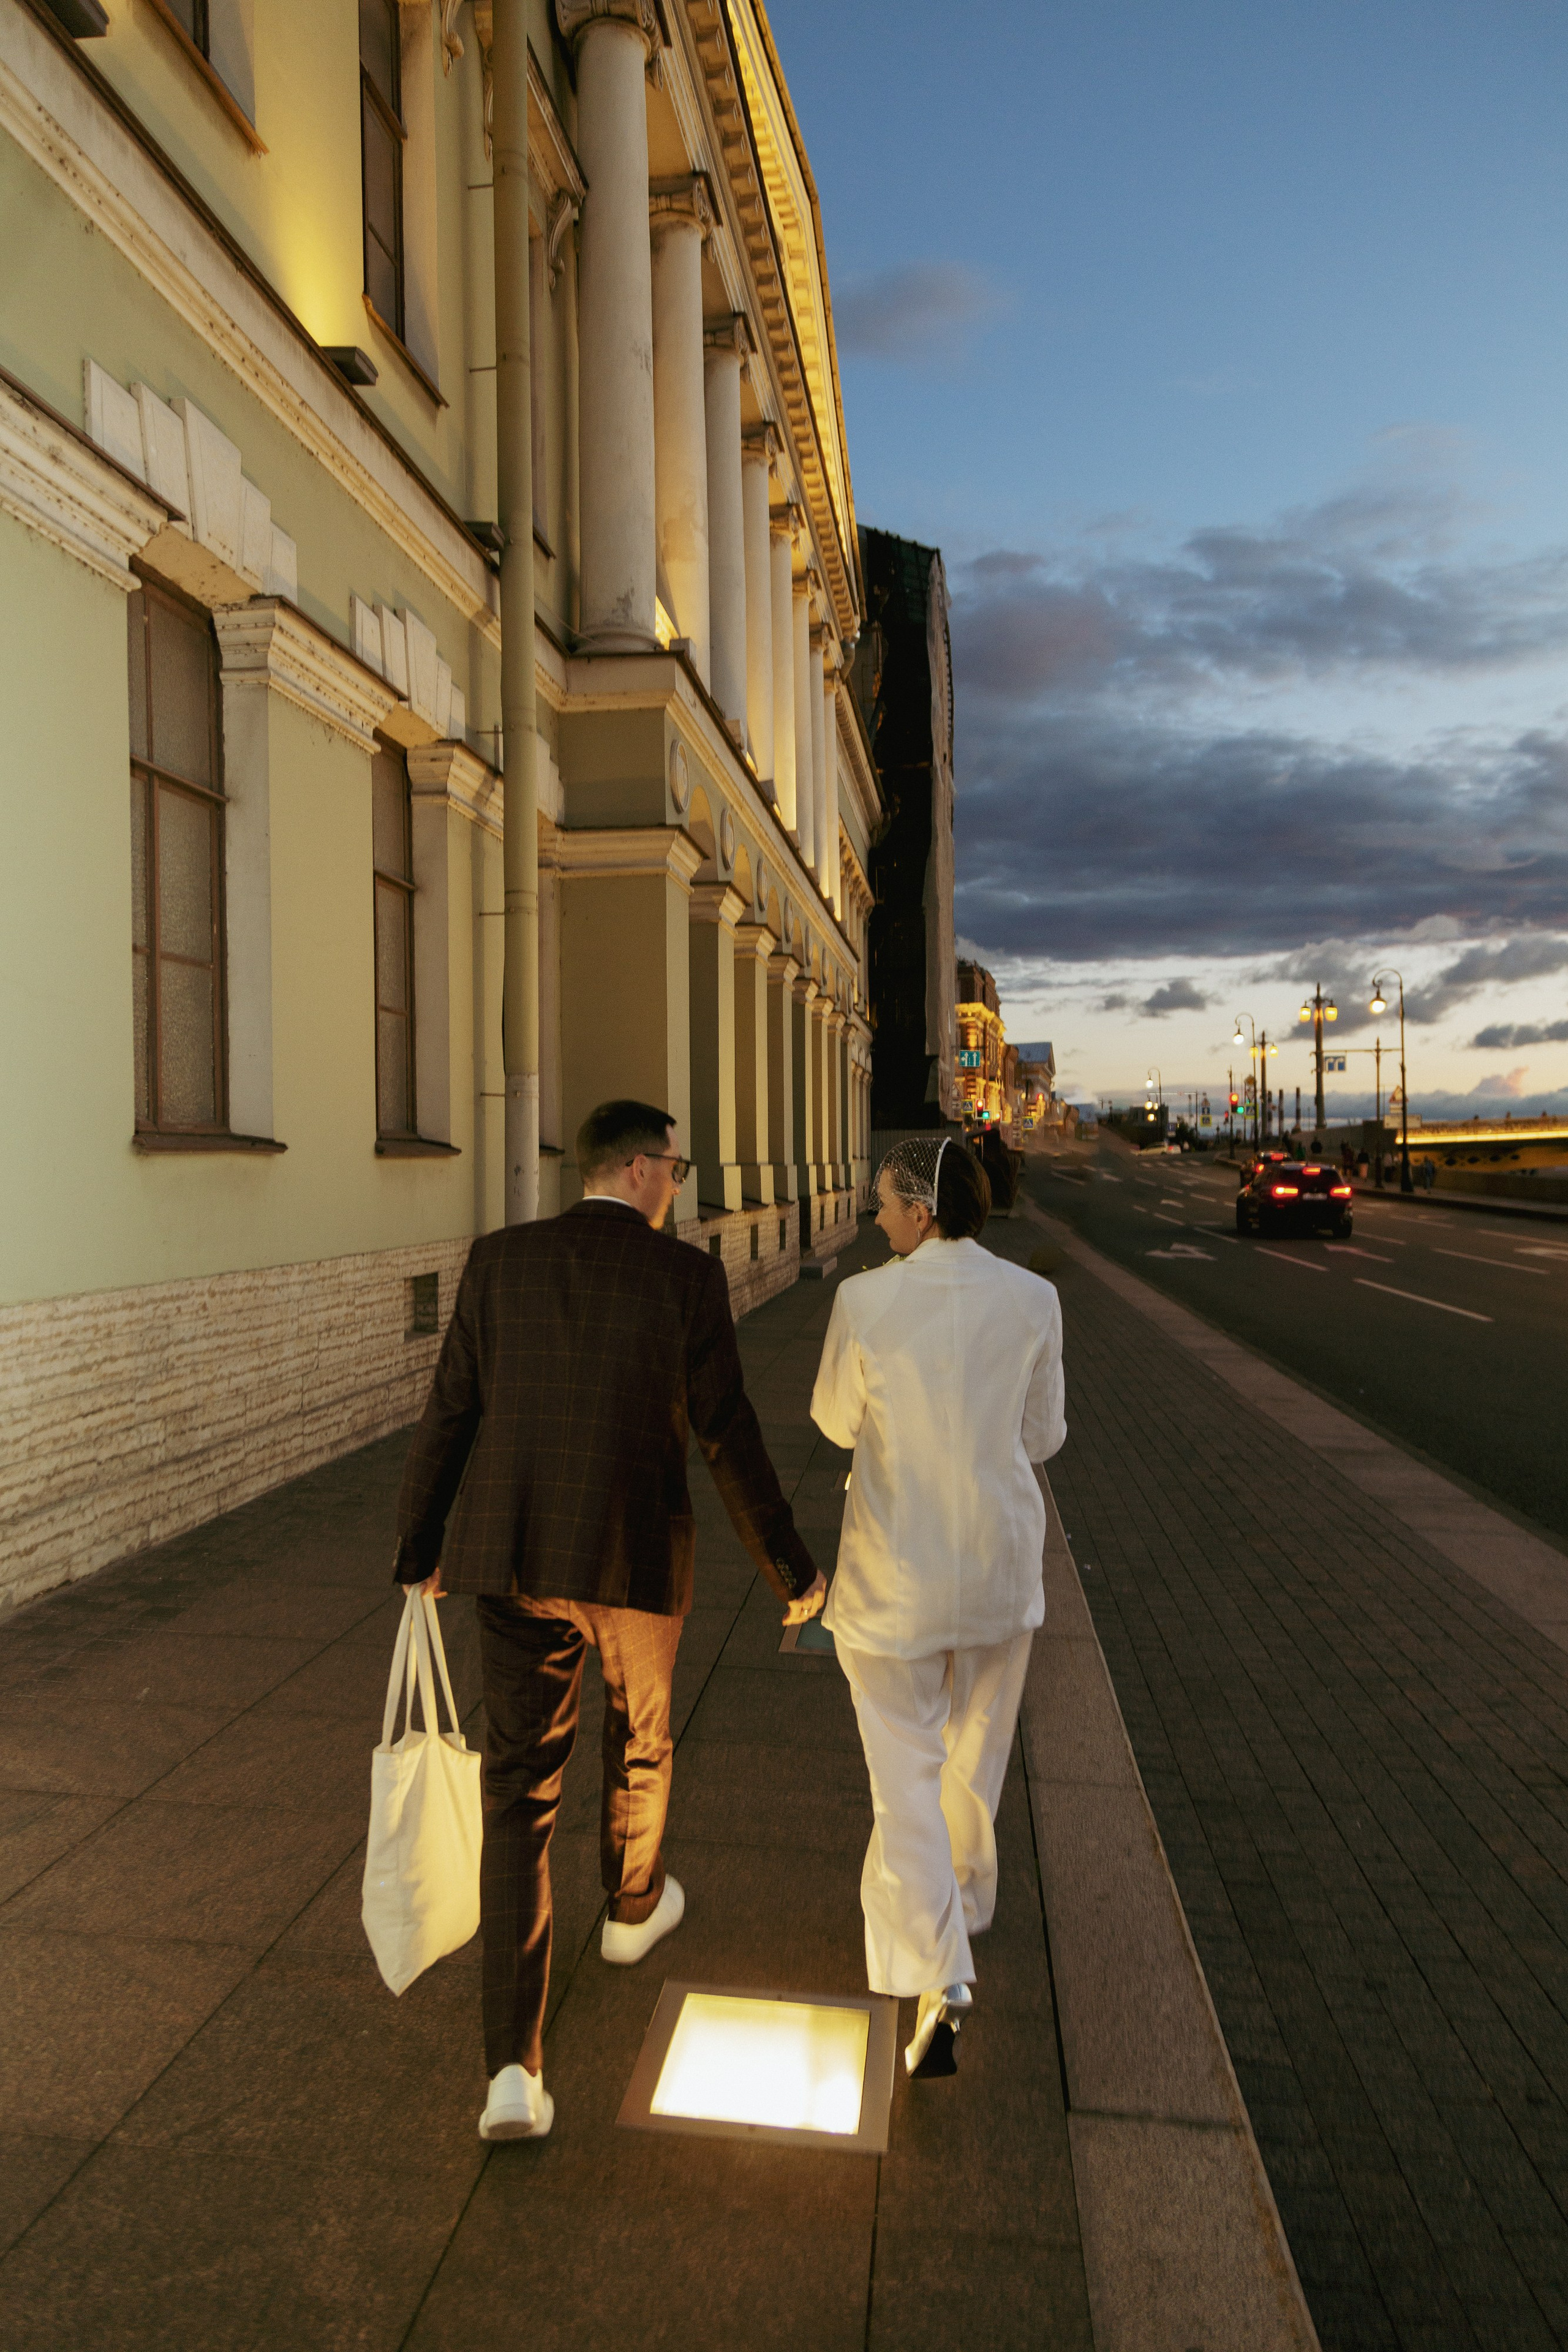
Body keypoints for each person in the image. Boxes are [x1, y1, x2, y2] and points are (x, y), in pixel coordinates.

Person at [393, 1099, 825, 2143]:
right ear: (637, 1169)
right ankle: (632, 1911)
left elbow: (451, 1410)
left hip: (513, 1556)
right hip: (633, 1556)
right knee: (641, 1741)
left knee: (518, 1795)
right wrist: (790, 1568)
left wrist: (419, 1549)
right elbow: (726, 1431)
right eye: (675, 1168)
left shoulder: (497, 1261)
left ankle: (512, 2073)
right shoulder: (683, 1279)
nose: (677, 1185)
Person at [809, 1137, 1066, 2080]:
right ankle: (956, 1911)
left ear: (921, 1212)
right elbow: (1044, 1435)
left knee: (904, 1775)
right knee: (970, 1765)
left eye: (883, 1203)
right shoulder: (1034, 1298)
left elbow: (835, 1420)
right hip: (1000, 1565)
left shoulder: (865, 1300)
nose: (875, 1217)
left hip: (895, 1571)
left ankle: (939, 1967)